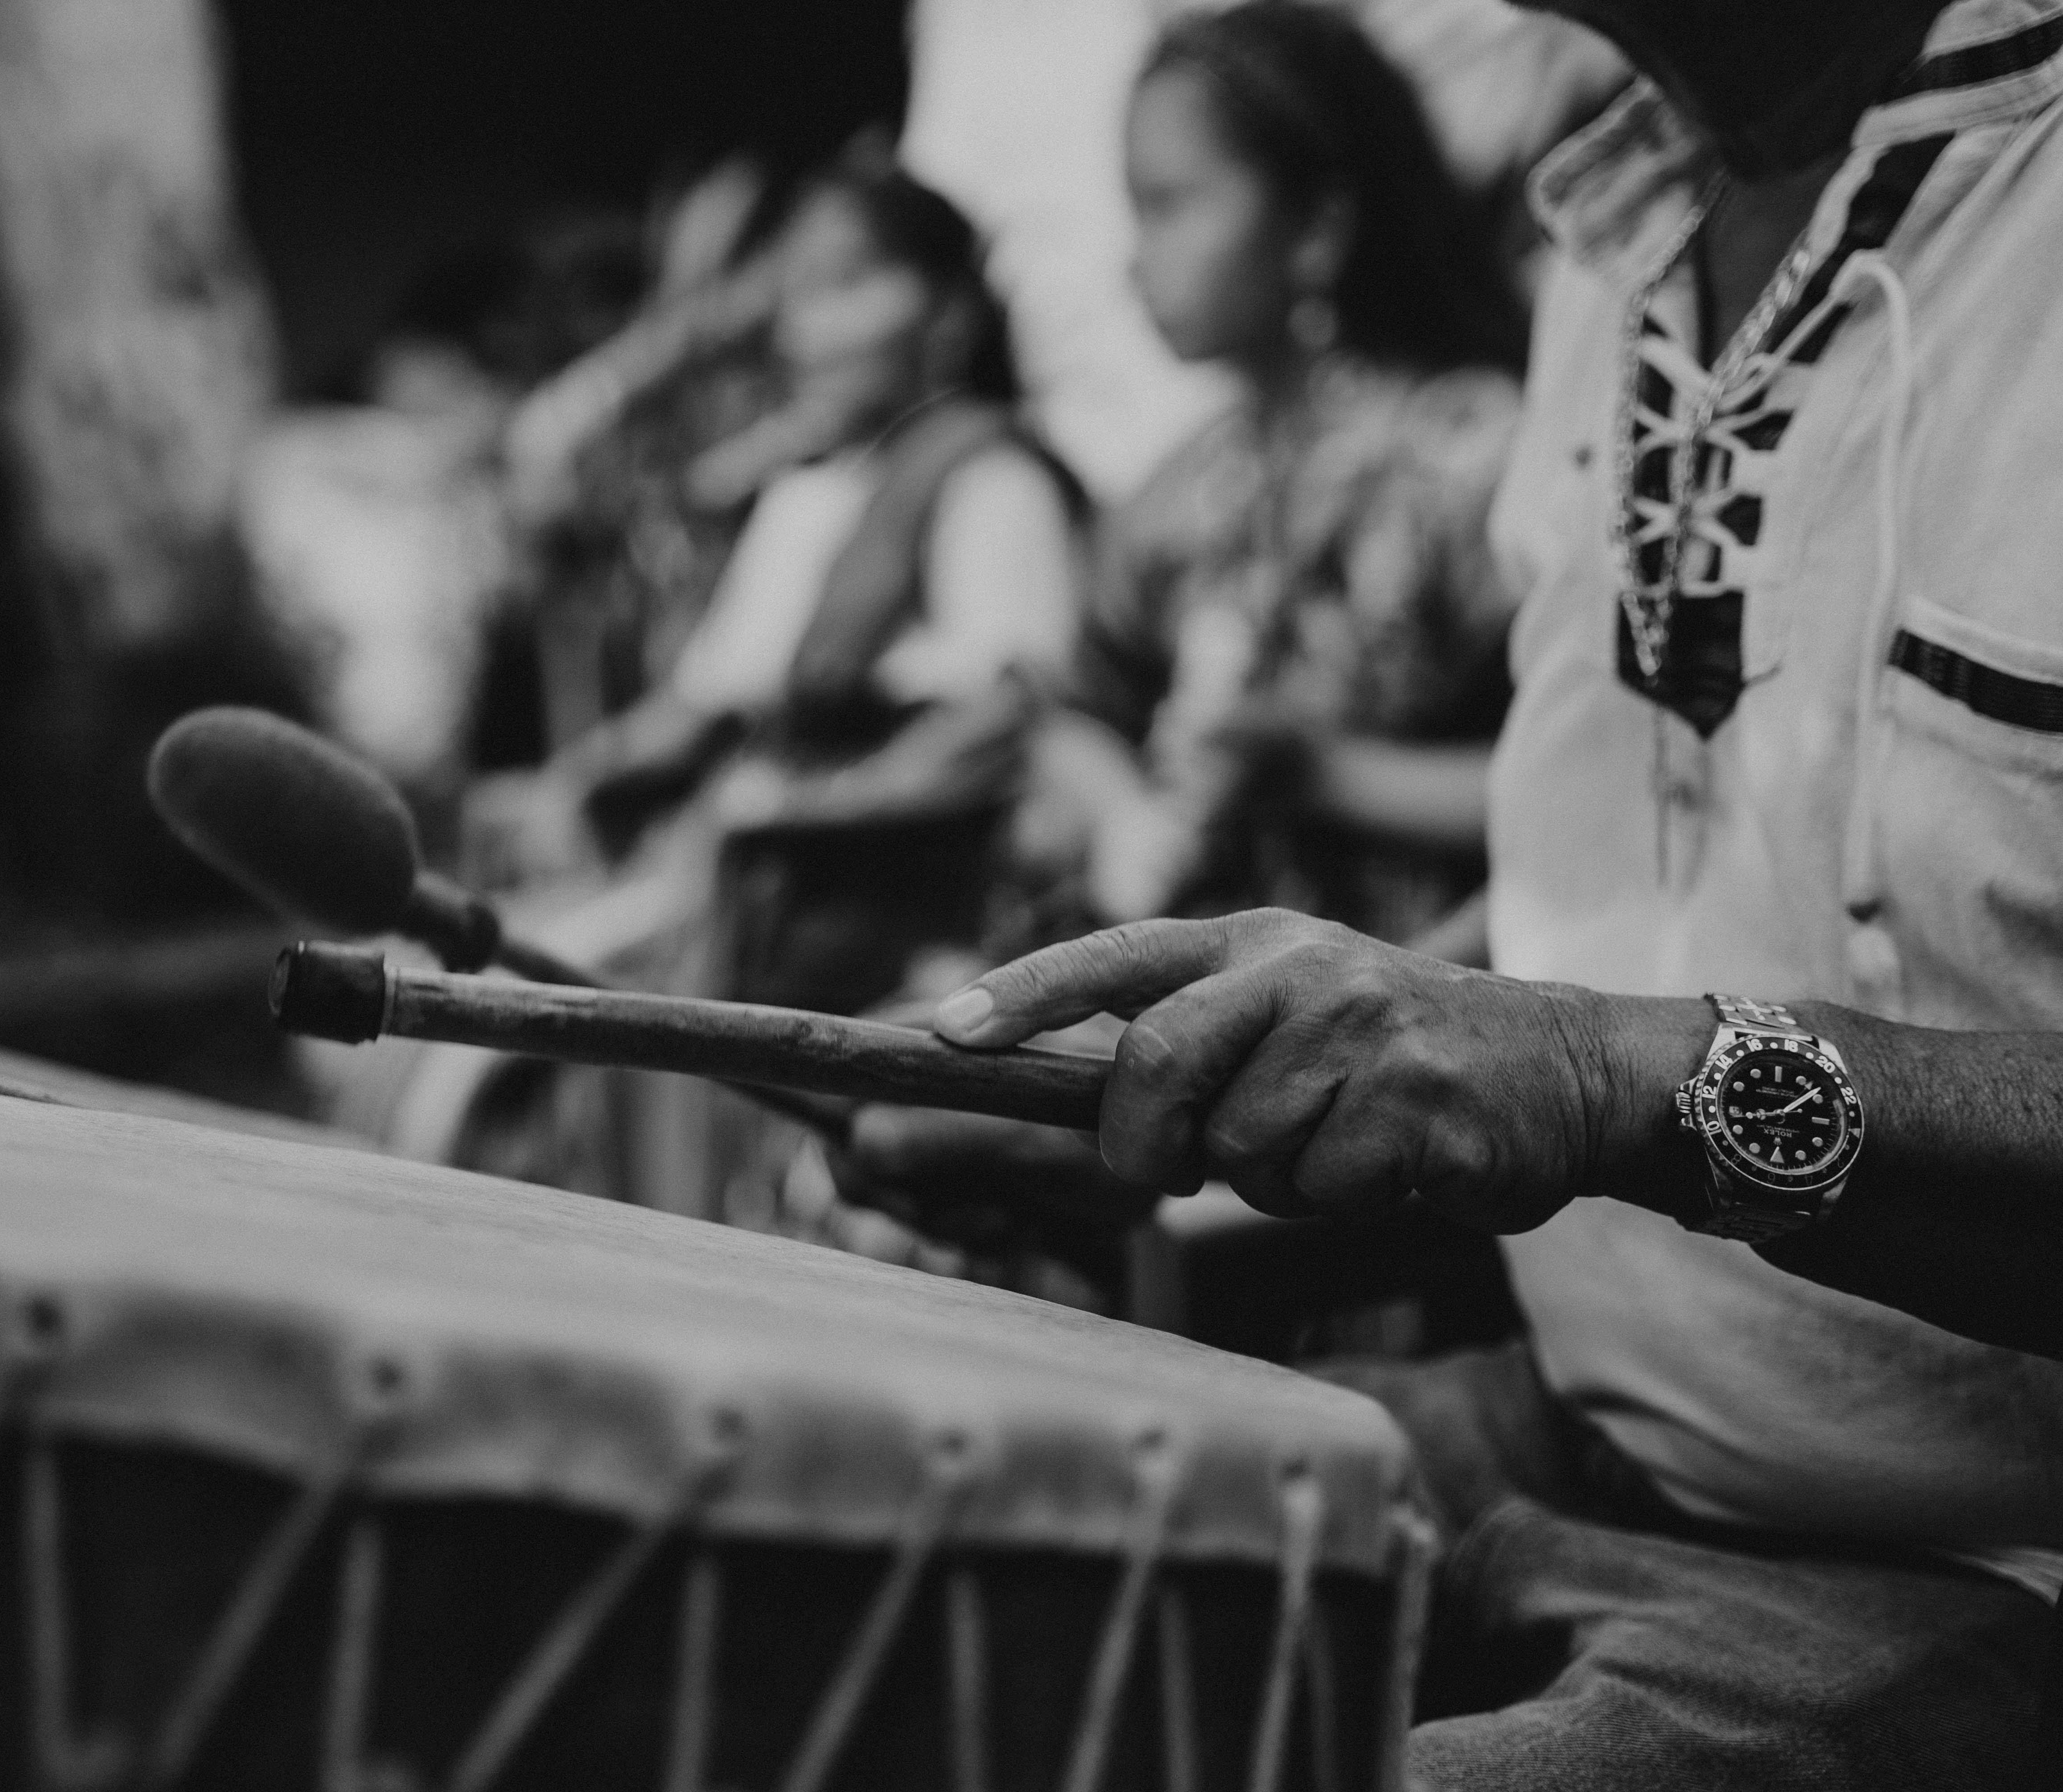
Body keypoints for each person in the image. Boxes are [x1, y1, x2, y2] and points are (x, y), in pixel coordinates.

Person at [851, 0, 2063, 1784]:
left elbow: (1600, 1046)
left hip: (1986, 1568)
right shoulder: (1615, 238)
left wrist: (1587, 1071)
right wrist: (1185, 1095)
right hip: (1560, 1429)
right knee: (880, 1560)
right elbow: (1644, 925)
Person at [473, 152, 1085, 1011]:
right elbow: (713, 700)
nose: (810, 331)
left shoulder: (987, 478)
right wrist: (572, 781)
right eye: (798, 295)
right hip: (755, 884)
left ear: (950, 313)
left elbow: (1006, 718)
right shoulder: (807, 488)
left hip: (882, 908)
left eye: (847, 286)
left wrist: (797, 811)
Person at [1032, 0, 1526, 947]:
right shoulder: (1185, 485)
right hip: (1211, 1029)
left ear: (1317, 225)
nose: (1138, 256)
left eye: (1172, 204)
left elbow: (1592, 787)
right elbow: (1074, 710)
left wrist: (1325, 772)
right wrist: (1121, 812)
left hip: (1439, 1031)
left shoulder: (1477, 458)